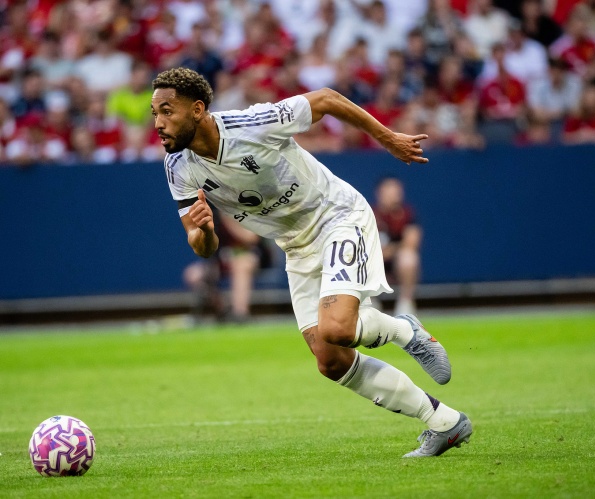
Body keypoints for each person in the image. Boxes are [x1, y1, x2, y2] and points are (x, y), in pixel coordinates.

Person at [151, 67, 472, 457]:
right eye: (155, 114)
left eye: (167, 111)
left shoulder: (252, 123)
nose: (158, 123)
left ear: (197, 109)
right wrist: (203, 231)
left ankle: (404, 330)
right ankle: (444, 422)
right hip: (296, 245)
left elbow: (326, 99)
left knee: (337, 328)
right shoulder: (177, 167)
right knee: (331, 361)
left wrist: (388, 138)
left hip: (336, 216)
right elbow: (203, 247)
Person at [372, 177, 422, 316]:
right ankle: (369, 303)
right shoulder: (370, 214)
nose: (393, 195)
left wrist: (390, 251)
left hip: (396, 263)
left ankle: (405, 304)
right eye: (389, 191)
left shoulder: (407, 214)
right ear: (379, 193)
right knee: (359, 259)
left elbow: (411, 243)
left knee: (409, 258)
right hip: (375, 263)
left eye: (396, 191)